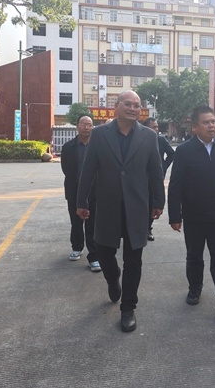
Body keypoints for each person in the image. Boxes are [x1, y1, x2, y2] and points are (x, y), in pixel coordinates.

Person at [76, 91, 165, 333]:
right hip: (107, 206)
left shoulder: (149, 136)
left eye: (137, 105)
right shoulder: (99, 134)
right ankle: (112, 277)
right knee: (104, 252)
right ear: (116, 106)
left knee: (134, 260)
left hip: (137, 207)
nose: (133, 108)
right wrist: (81, 201)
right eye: (128, 104)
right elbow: (88, 169)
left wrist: (159, 201)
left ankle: (128, 307)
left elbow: (155, 170)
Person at [168, 105, 215, 320]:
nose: (212, 126)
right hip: (194, 216)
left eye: (213, 122)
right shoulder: (184, 151)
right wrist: (175, 215)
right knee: (194, 256)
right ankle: (195, 287)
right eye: (206, 122)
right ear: (195, 127)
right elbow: (175, 185)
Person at [60, 115, 100, 272]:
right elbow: (66, 169)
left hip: (94, 191)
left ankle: (94, 256)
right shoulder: (68, 147)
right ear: (77, 126)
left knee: (92, 223)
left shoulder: (97, 147)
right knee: (76, 221)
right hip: (74, 190)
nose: (86, 127)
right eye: (83, 124)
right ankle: (76, 247)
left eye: (89, 124)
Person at [142, 117, 175, 241]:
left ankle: (148, 228)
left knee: (152, 204)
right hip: (141, 178)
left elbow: (171, 154)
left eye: (157, 127)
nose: (156, 129)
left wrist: (164, 166)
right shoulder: (139, 139)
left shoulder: (161, 140)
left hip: (155, 178)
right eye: (154, 127)